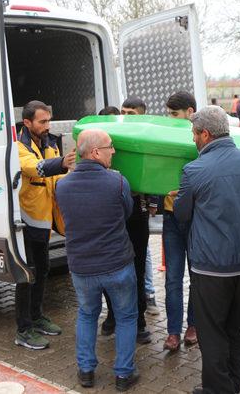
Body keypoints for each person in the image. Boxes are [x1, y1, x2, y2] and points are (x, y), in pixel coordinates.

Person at [173, 106, 240, 394]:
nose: (193, 139)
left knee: (212, 332)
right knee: (239, 328)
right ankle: (233, 384)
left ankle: (219, 390)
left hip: (211, 267)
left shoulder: (194, 170)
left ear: (205, 134)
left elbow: (182, 215)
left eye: (194, 134)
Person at [55, 129, 140, 391]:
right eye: (110, 147)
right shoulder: (118, 182)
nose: (113, 151)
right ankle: (124, 375)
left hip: (82, 267)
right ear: (95, 152)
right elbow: (127, 212)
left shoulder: (62, 185)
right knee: (126, 317)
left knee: (87, 315)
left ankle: (86, 372)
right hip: (117, 265)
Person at [15, 100, 76, 349]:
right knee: (26, 275)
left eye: (49, 120)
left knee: (43, 270)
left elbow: (58, 178)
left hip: (43, 223)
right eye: (42, 121)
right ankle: (23, 330)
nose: (47, 125)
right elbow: (36, 168)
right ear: (27, 122)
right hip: (26, 222)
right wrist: (62, 163)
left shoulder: (49, 143)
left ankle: (37, 317)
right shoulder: (18, 148)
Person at [101, 97, 155, 344]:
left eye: (131, 113)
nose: (124, 116)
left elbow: (156, 174)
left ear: (142, 116)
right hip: (111, 210)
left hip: (137, 211)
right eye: (122, 112)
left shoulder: (147, 139)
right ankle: (113, 315)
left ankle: (139, 321)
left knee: (137, 266)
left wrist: (153, 200)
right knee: (111, 266)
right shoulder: (111, 137)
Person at [161, 91, 199, 352]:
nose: (171, 119)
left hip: (197, 218)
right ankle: (173, 331)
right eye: (169, 114)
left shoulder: (203, 137)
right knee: (173, 278)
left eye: (175, 114)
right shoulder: (165, 136)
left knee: (197, 276)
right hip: (171, 217)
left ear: (190, 112)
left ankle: (193, 326)